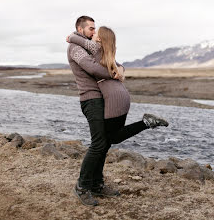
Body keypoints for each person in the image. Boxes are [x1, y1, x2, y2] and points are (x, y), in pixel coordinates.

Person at [67, 16, 168, 206]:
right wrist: (114, 73)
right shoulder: (75, 48)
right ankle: (82, 186)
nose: (93, 32)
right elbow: (93, 69)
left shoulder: (92, 47)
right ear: (79, 29)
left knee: (104, 144)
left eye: (94, 29)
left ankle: (96, 184)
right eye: (90, 29)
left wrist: (119, 68)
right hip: (91, 99)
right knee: (98, 144)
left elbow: (113, 61)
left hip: (103, 98)